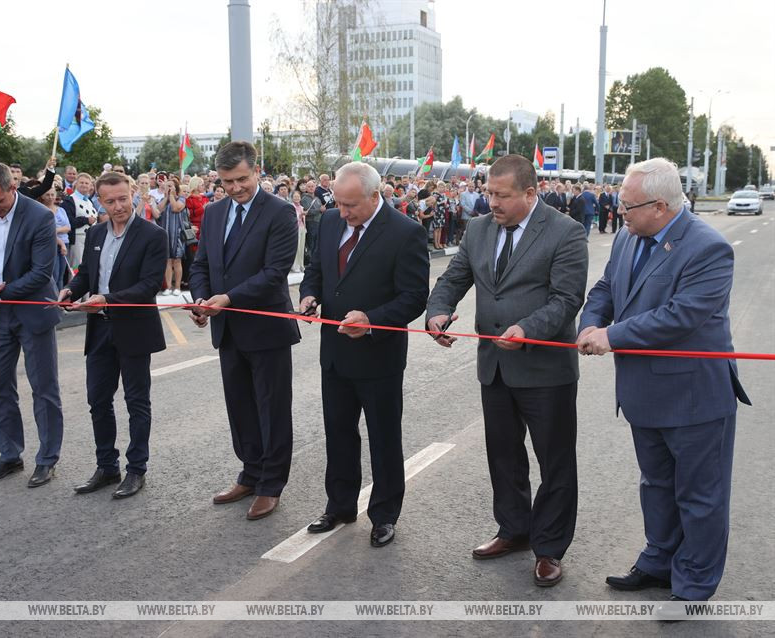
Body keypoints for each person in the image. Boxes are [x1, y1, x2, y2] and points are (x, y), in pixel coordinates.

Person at [576, 158, 751, 610]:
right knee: (655, 485)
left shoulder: (707, 248)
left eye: (627, 205)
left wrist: (610, 336)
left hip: (694, 396)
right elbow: (606, 290)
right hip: (644, 393)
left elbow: (679, 318)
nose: (618, 211)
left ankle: (693, 584)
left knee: (699, 496)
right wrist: (590, 323)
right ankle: (659, 560)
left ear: (660, 205)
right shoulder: (627, 236)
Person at [426, 154, 588, 587]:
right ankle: (514, 530)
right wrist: (437, 313)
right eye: (488, 192)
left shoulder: (565, 232)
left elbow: (567, 299)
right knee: (504, 455)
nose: (491, 201)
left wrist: (528, 329)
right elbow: (452, 279)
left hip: (544, 369)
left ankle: (550, 547)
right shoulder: (479, 229)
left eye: (501, 195)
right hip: (494, 366)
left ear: (530, 193)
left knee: (554, 461)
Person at [299, 161, 429, 548]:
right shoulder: (329, 224)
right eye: (338, 203)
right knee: (338, 433)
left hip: (378, 356)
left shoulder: (406, 233)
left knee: (384, 438)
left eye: (351, 205)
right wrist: (309, 295)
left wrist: (371, 320)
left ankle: (384, 514)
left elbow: (413, 298)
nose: (343, 212)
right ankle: (339, 504)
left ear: (375, 196)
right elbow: (316, 271)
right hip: (335, 352)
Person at [189, 140, 299, 521]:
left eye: (241, 179)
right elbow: (201, 263)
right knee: (240, 408)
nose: (235, 188)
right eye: (226, 182)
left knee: (272, 409)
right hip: (227, 328)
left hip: (266, 328)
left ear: (257, 171)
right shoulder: (215, 212)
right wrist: (202, 300)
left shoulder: (280, 212)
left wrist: (227, 298)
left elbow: (274, 274)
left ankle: (271, 484)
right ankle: (250, 473)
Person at [59, 171, 168, 499]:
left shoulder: (152, 235)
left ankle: (136, 469)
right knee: (98, 400)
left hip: (134, 327)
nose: (118, 206)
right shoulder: (95, 233)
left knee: (137, 401)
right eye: (110, 201)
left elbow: (149, 285)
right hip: (100, 329)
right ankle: (107, 466)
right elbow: (87, 275)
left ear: (133, 193)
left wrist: (107, 299)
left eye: (123, 199)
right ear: (100, 202)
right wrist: (70, 289)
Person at [0, 161, 64, 488]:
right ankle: (9, 454)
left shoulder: (40, 216)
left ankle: (47, 459)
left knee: (44, 388)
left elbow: (41, 272)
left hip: (32, 310)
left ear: (13, 188)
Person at [154, 178, 186, 295]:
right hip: (165, 234)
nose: (168, 188)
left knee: (177, 261)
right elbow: (158, 210)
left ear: (176, 188)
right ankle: (168, 287)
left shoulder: (181, 199)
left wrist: (172, 196)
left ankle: (177, 287)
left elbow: (176, 208)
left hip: (177, 234)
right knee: (167, 261)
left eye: (171, 186)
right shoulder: (164, 200)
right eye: (167, 186)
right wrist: (167, 197)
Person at [38, 189, 70, 290]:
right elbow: (46, 232)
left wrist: (55, 230)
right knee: (54, 275)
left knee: (61, 275)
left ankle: (59, 301)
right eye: (47, 194)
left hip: (65, 243)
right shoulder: (41, 210)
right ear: (42, 196)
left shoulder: (61, 210)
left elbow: (68, 227)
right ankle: (53, 301)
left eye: (52, 194)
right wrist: (60, 243)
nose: (50, 197)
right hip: (51, 244)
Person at [291, 190, 306, 273]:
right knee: (296, 247)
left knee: (302, 247)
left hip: (302, 228)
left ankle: (301, 265)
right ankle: (295, 265)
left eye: (298, 197)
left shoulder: (301, 207)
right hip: (295, 228)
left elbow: (303, 220)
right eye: (295, 197)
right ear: (292, 198)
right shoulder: (291, 207)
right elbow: (291, 219)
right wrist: (299, 216)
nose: (297, 198)